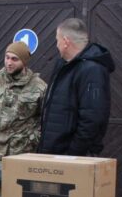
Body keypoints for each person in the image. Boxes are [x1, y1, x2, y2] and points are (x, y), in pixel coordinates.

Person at [38, 18, 115, 156]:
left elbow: (92, 119)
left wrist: (73, 153)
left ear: (66, 42)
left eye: (57, 40)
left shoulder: (92, 70)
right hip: (54, 155)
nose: (57, 45)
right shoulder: (64, 66)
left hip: (72, 158)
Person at [0, 41, 47, 160]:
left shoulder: (38, 87)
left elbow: (46, 119)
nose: (9, 63)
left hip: (21, 152)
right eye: (7, 57)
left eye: (14, 59)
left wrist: (33, 138)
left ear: (24, 61)